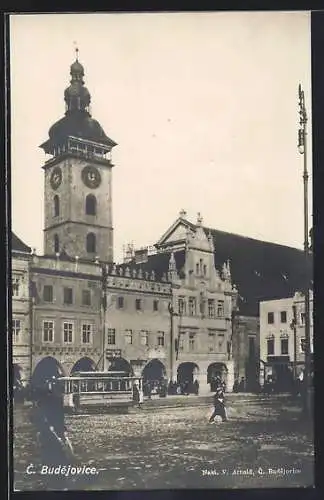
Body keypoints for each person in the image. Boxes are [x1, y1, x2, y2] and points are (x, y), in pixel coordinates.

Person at [30, 384, 74, 489]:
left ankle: (54, 480)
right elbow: (59, 421)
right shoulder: (55, 402)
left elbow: (38, 421)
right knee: (59, 461)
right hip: (55, 438)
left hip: (49, 440)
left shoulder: (41, 407)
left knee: (51, 462)